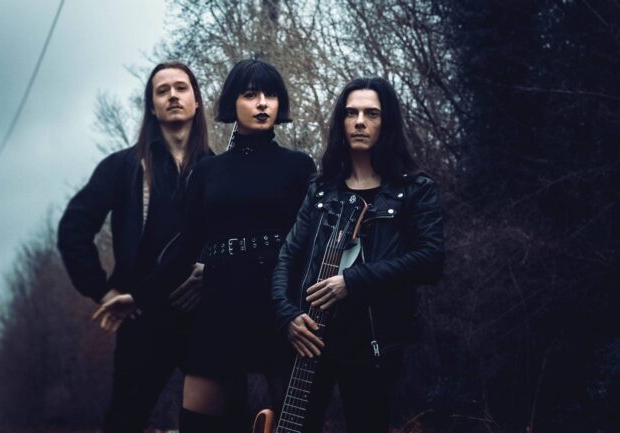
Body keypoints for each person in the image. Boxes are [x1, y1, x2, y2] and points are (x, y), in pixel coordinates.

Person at [98, 59, 317, 433]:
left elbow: (313, 244)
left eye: (270, 95)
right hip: (220, 310)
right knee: (199, 422)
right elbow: (185, 249)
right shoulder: (209, 171)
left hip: (280, 308)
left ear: (281, 104)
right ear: (233, 104)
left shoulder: (298, 167)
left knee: (294, 424)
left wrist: (304, 306)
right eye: (250, 95)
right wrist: (139, 297)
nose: (262, 103)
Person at [270, 77, 445, 433]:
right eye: (351, 113)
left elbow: (430, 260)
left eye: (371, 113)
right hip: (310, 340)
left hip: (374, 344)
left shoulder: (414, 190)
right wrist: (287, 315)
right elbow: (286, 258)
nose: (360, 121)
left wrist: (353, 281)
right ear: (341, 122)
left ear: (387, 122)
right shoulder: (321, 190)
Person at [57, 61, 212, 433]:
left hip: (202, 318)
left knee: (213, 422)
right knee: (125, 421)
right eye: (162, 90)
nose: (173, 95)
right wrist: (103, 289)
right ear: (152, 107)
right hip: (141, 317)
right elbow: (73, 229)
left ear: (197, 102)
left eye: (181, 87)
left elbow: (237, 240)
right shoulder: (123, 167)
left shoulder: (217, 170)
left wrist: (211, 271)